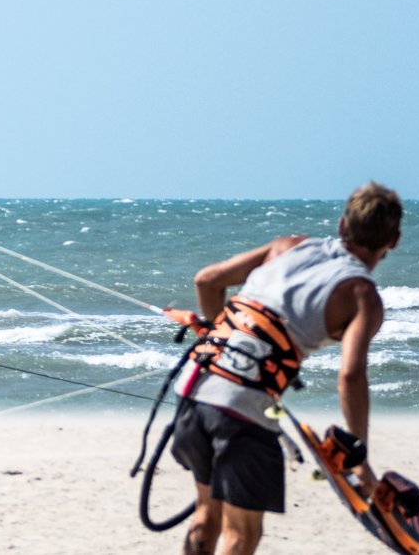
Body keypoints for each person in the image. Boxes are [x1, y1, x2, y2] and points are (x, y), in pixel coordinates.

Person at [169, 182, 401, 554]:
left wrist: (219, 335)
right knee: (241, 535)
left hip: (193, 389)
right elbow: (350, 375)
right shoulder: (363, 296)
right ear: (395, 240)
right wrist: (358, 459)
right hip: (241, 411)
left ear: (342, 226)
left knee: (206, 515)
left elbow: (207, 280)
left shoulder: (289, 245)